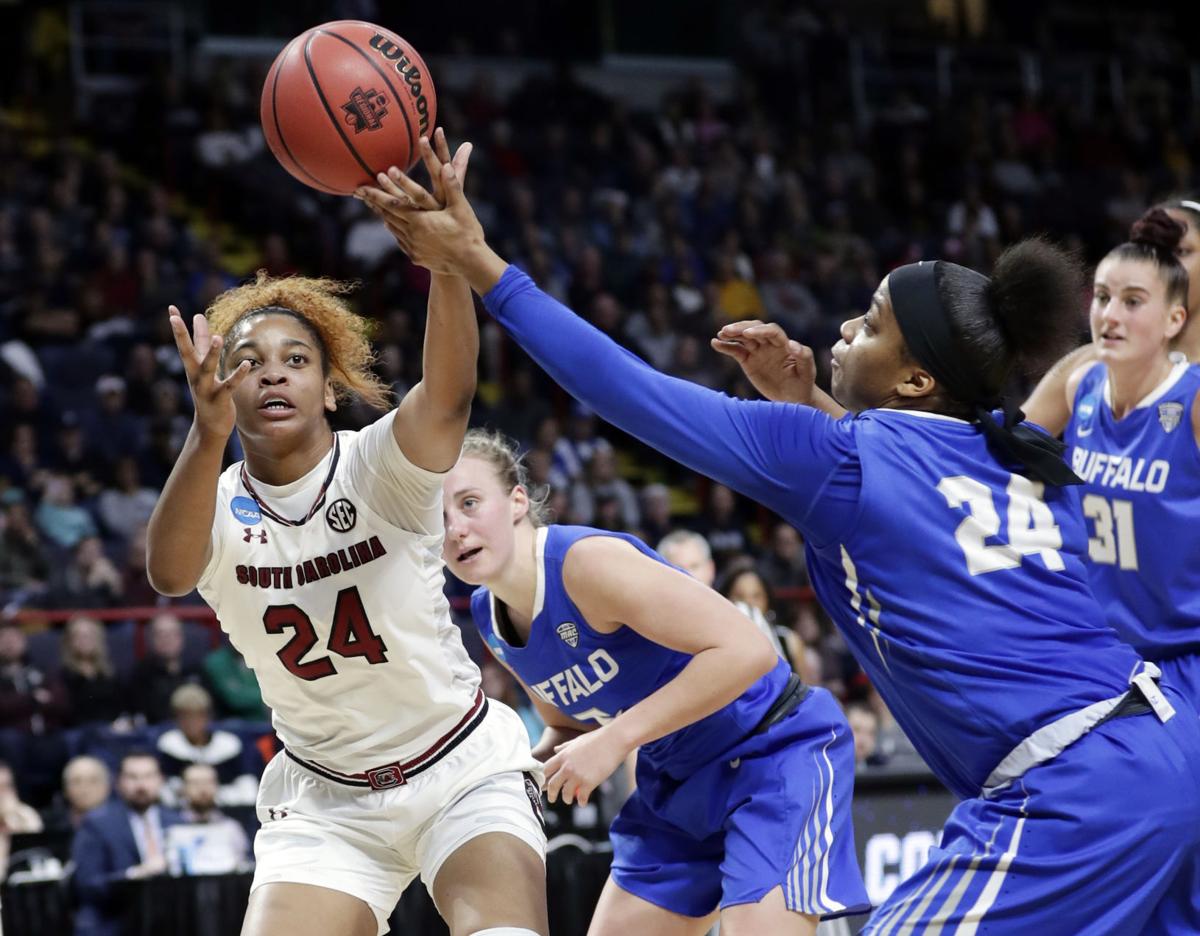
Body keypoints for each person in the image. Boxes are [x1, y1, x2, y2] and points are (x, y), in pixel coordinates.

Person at [383, 155, 1200, 933]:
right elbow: (898, 499)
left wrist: (485, 264)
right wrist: (806, 396)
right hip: (1158, 751)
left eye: (872, 324)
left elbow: (627, 391)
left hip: (1071, 786)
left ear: (917, 379)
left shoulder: (839, 458)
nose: (847, 326)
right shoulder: (997, 448)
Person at [147, 132, 547, 936]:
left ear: (330, 390)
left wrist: (442, 259)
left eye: (295, 359)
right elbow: (167, 574)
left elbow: (450, 393)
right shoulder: (215, 499)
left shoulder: (379, 468)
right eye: (249, 360)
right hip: (327, 799)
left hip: (459, 769)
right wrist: (204, 435)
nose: (270, 372)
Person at [443, 429, 868, 936]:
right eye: (439, 517)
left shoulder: (585, 564)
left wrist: (619, 738)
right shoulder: (488, 616)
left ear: (516, 501)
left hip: (771, 752)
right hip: (677, 782)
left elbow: (749, 651)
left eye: (469, 503)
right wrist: (514, 773)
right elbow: (568, 725)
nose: (456, 530)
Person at [1056, 211, 1200, 698]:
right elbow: (995, 452)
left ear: (1173, 319)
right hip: (1105, 656)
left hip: (1187, 655)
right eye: (1101, 297)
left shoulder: (1194, 403)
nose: (1109, 315)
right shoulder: (1080, 385)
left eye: (1133, 302)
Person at [1023, 198, 1200, 436]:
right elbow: (1008, 448)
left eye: (1180, 251)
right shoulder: (1087, 364)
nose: (1162, 264)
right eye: (1152, 251)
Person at [71, 752, 183, 936]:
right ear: (118, 782)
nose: (141, 785)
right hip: (117, 918)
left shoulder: (177, 821)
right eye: (133, 777)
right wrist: (134, 875)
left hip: (170, 918)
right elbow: (87, 884)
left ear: (161, 780)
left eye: (148, 776)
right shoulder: (97, 823)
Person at [155, 684, 259, 806]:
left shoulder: (228, 744)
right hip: (182, 809)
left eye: (197, 715)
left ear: (208, 716)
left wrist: (213, 796)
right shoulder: (169, 744)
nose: (191, 722)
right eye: (185, 716)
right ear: (176, 718)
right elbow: (165, 786)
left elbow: (247, 785)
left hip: (227, 806)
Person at [175, 762, 251, 867]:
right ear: (183, 788)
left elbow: (243, 863)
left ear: (217, 785)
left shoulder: (231, 827)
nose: (203, 789)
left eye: (208, 782)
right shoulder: (172, 826)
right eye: (195, 783)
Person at [129, 613, 201, 724]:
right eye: (161, 634)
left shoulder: (195, 669)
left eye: (173, 634)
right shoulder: (141, 674)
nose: (167, 639)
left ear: (181, 638)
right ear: (151, 640)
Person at [60, 614, 125, 726]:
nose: (83, 641)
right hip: (78, 734)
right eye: (78, 636)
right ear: (69, 641)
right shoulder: (62, 675)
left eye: (88, 636)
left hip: (112, 731)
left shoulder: (111, 673)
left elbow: (122, 707)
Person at [41, 755, 111, 836]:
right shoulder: (45, 823)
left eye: (93, 781)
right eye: (76, 781)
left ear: (107, 787)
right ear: (65, 788)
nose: (84, 789)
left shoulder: (123, 823)